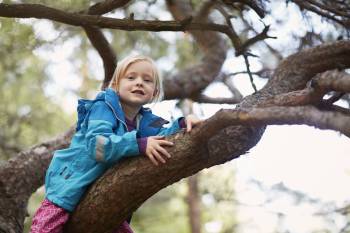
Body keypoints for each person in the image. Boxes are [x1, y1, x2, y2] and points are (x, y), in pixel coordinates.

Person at [30, 54, 203, 233]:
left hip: (105, 194)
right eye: (131, 77)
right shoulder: (103, 107)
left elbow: (162, 139)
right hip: (69, 186)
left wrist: (183, 123)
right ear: (115, 85)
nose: (139, 83)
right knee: (44, 229)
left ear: (155, 92)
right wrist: (139, 144)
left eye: (147, 80)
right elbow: (98, 145)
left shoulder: (146, 122)